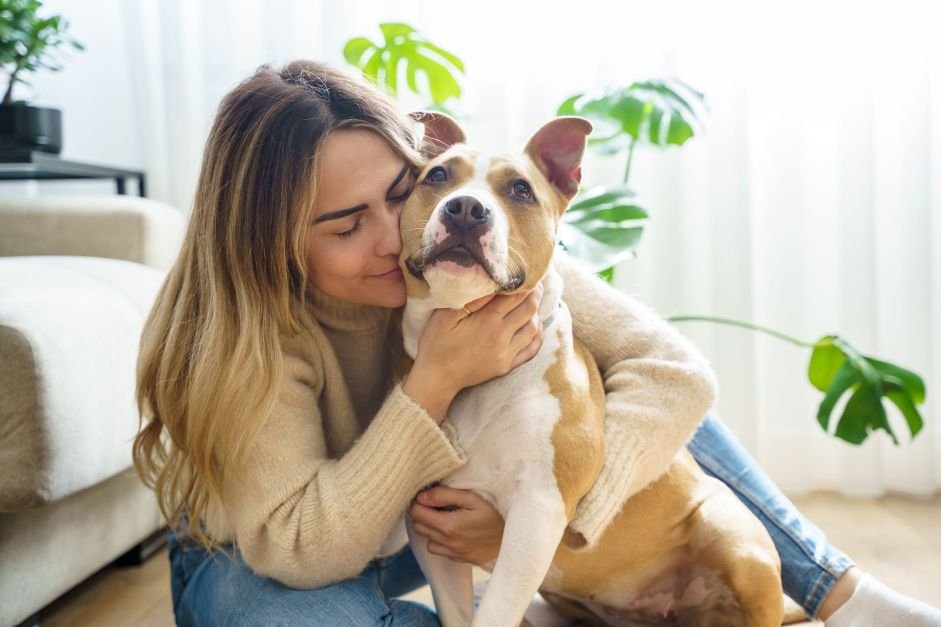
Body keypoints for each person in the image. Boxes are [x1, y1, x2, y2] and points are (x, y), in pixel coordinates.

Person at [133, 59, 941, 627]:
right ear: (269, 241)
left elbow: (673, 372)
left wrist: (550, 515)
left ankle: (837, 590)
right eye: (347, 224)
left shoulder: (462, 240)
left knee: (601, 374)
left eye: (399, 194)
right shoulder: (245, 338)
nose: (392, 238)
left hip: (428, 521)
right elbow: (303, 547)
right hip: (263, 557)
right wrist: (435, 380)